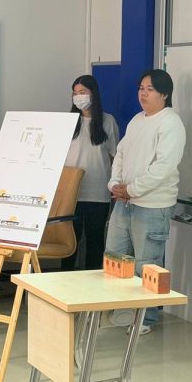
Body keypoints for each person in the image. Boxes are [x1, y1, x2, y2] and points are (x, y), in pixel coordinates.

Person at [106, 68, 185, 334]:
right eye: (141, 88)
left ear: (164, 94)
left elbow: (163, 168)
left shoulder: (170, 123)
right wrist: (115, 184)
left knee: (147, 265)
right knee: (116, 259)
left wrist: (133, 189)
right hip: (124, 202)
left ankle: (146, 319)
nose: (143, 94)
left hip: (152, 206)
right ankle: (122, 311)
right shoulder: (137, 120)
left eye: (150, 89)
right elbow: (121, 153)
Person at [62, 75, 119, 270]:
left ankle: (93, 282)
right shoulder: (68, 122)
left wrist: (115, 185)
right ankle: (64, 282)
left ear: (93, 93)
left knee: (95, 240)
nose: (78, 97)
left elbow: (114, 156)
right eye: (75, 93)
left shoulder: (108, 121)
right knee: (70, 242)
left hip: (98, 191)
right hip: (71, 193)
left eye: (83, 92)